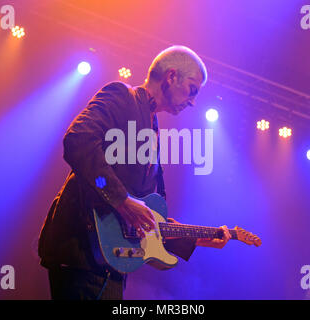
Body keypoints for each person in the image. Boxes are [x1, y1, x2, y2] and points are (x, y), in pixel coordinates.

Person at [38, 45, 232, 300]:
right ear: (171, 76)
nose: (193, 101)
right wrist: (121, 200)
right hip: (82, 249)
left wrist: (193, 239)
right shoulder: (121, 96)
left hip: (109, 260)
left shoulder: (152, 127)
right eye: (192, 90)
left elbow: (143, 216)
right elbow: (78, 140)